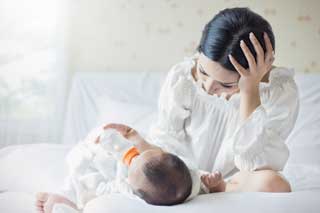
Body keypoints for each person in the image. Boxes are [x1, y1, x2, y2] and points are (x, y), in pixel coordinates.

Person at [145, 7, 299, 189]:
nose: (209, 87)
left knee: (274, 183)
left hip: (235, 182)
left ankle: (220, 189)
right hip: (185, 172)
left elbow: (256, 162)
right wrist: (192, 175)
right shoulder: (183, 78)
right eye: (203, 71)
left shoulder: (279, 91)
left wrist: (250, 90)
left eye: (226, 85)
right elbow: (168, 140)